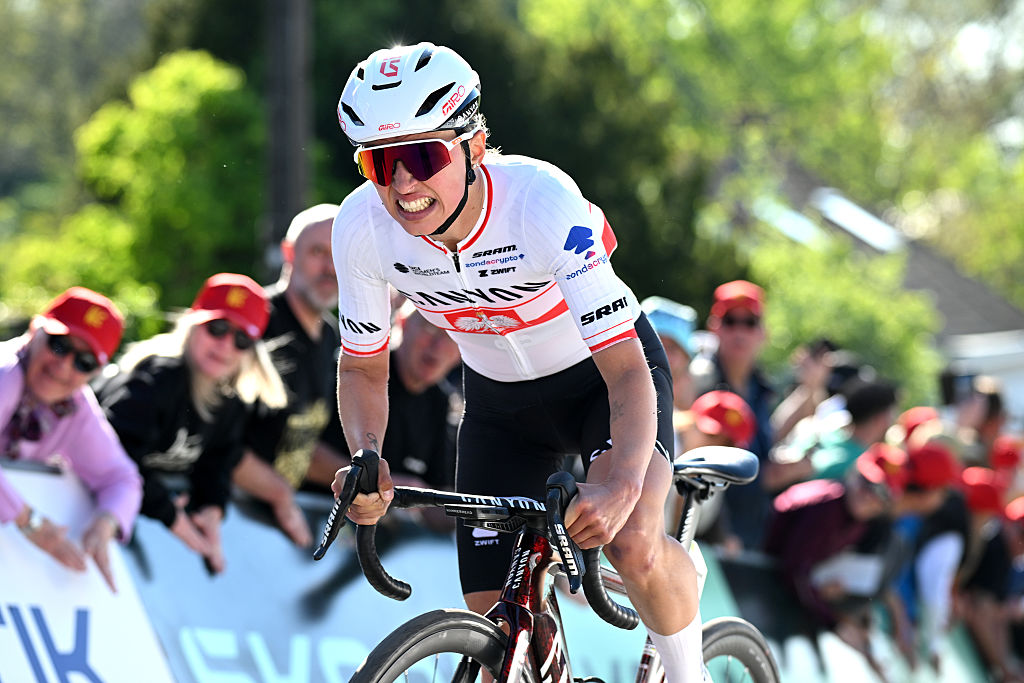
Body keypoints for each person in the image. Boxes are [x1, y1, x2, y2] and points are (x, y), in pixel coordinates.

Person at [330, 42, 704, 681]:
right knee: (493, 615)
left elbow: (625, 369)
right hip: (501, 407)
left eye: (424, 156)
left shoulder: (538, 201)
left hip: (604, 384)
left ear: (474, 146)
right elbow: (363, 366)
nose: (403, 183)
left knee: (635, 544)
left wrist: (621, 483)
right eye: (380, 161)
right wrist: (368, 457)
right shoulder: (362, 227)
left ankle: (687, 668)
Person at [96, 273, 287, 574]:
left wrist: (211, 509)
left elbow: (217, 462)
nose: (225, 345)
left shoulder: (231, 400)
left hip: (126, 525)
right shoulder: (156, 379)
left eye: (241, 339)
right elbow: (112, 455)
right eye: (218, 328)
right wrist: (171, 514)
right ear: (193, 325)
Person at [0, 287, 142, 592]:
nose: (64, 366)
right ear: (35, 330)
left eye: (85, 362)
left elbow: (122, 479)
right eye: (59, 346)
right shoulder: (6, 371)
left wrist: (104, 525)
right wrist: (29, 521)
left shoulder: (74, 406)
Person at [234, 204, 350, 547]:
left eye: (339, 256)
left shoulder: (331, 336)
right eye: (318, 252)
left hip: (279, 528)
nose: (330, 268)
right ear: (288, 252)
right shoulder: (253, 325)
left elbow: (298, 442)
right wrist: (278, 493)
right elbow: (217, 436)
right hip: (229, 513)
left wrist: (359, 479)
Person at [764, 444, 906, 677]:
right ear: (854, 475)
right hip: (758, 582)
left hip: (782, 592)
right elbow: (793, 572)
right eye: (867, 484)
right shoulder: (827, 507)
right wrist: (835, 624)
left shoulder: (860, 523)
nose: (869, 497)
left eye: (881, 494)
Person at [690, 279, 776, 549]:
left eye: (749, 323)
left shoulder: (763, 390)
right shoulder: (697, 381)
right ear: (714, 327)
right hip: (699, 532)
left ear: (763, 332)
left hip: (745, 535)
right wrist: (721, 532)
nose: (739, 331)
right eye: (730, 321)